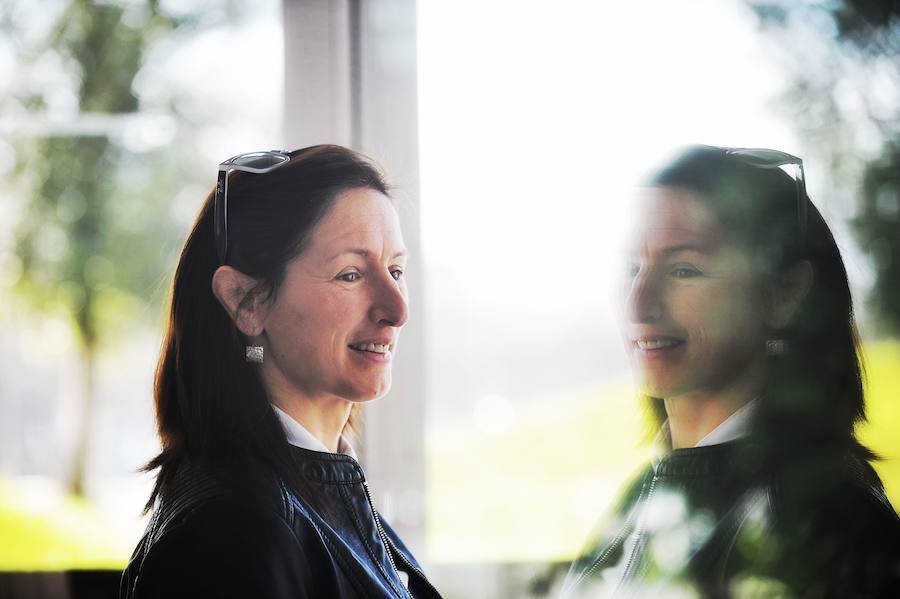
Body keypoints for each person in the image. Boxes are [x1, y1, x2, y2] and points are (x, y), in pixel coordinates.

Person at [563, 145, 900, 598]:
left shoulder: (824, 524)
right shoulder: (649, 489)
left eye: (684, 269)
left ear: (784, 293)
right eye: (631, 268)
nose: (638, 303)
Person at [120, 145, 442, 599]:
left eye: (395, 270)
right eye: (350, 274)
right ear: (246, 301)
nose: (398, 309)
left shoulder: (313, 492)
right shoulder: (233, 533)